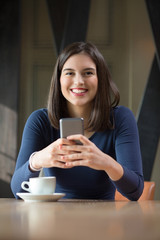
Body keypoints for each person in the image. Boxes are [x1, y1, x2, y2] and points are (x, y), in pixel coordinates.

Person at [11, 42, 144, 200]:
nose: (79, 81)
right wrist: (37, 160)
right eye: (69, 73)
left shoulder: (120, 118)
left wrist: (106, 162)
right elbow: (17, 192)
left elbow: (135, 192)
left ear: (100, 79)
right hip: (54, 219)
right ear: (59, 80)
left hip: (105, 220)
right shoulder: (39, 121)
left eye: (88, 73)